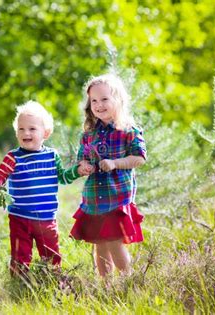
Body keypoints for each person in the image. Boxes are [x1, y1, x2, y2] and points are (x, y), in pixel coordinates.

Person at [0, 100, 86, 276]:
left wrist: (77, 171)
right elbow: (0, 174)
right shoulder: (13, 157)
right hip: (19, 217)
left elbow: (62, 177)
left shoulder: (51, 156)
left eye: (32, 129)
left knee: (51, 254)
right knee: (20, 255)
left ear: (45, 133)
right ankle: (20, 283)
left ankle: (52, 280)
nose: (26, 133)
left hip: (46, 218)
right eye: (21, 129)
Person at [70, 73, 147, 278]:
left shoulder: (128, 130)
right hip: (94, 198)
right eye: (94, 100)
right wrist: (83, 167)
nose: (99, 104)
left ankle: (127, 280)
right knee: (100, 244)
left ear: (118, 100)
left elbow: (139, 158)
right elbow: (81, 160)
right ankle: (106, 284)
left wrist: (115, 163)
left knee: (114, 241)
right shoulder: (88, 134)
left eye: (104, 99)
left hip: (117, 197)